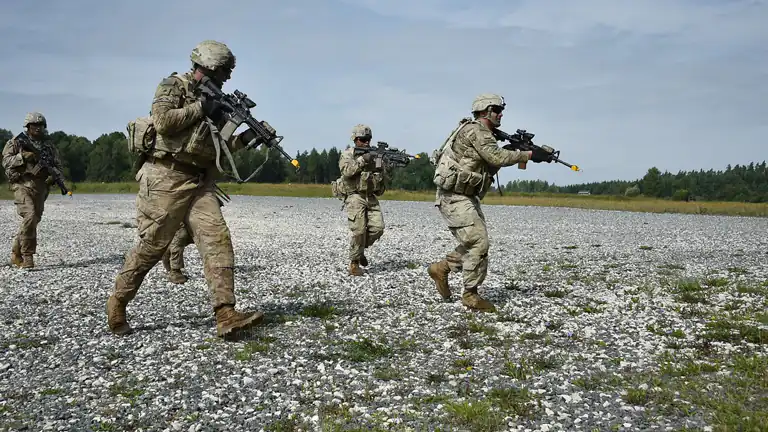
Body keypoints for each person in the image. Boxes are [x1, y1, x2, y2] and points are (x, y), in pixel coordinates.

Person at [106, 40, 274, 339]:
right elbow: (164, 122)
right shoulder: (174, 86)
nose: (228, 76)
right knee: (151, 247)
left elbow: (219, 149)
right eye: (224, 70)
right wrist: (201, 107)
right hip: (164, 177)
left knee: (217, 240)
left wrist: (248, 138)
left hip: (198, 181)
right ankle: (118, 302)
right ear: (207, 65)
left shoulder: (218, 101)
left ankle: (225, 312)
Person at [427, 93, 553, 312]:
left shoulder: (483, 133)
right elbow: (496, 158)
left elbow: (491, 161)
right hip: (454, 196)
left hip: (466, 196)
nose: (500, 114)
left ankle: (441, 268)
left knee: (473, 242)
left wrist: (517, 150)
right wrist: (530, 154)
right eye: (497, 110)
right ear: (485, 111)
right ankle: (470, 295)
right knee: (479, 242)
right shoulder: (476, 131)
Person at [2, 112, 65, 269]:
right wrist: (22, 157)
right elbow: (5, 161)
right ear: (28, 126)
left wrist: (54, 177)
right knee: (29, 215)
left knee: (33, 220)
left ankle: (16, 251)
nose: (37, 128)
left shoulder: (48, 146)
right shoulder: (16, 142)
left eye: (40, 125)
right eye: (34, 125)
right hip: (22, 184)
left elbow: (58, 165)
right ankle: (27, 256)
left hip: (40, 187)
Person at [335, 124, 387, 276]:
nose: (366, 143)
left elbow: (380, 176)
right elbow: (347, 171)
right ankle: (354, 263)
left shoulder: (373, 155)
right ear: (355, 140)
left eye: (368, 139)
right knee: (358, 230)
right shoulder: (348, 154)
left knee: (378, 228)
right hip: (355, 196)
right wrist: (363, 160)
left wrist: (383, 164)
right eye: (363, 139)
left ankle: (359, 250)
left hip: (370, 196)